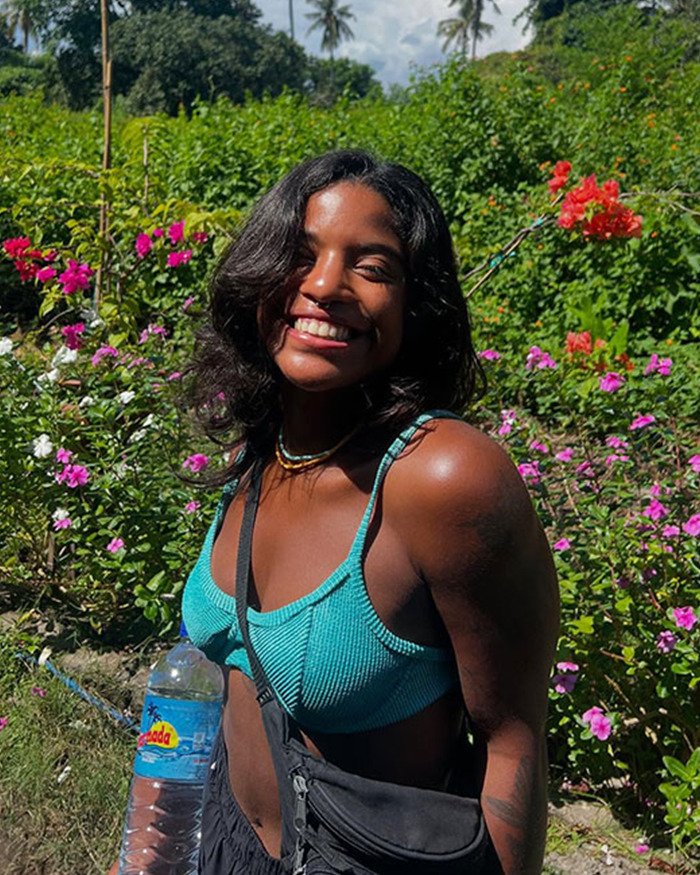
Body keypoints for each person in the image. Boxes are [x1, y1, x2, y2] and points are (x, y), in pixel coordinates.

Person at [180, 150, 560, 875]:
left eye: (373, 266)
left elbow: (513, 740)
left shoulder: (444, 480)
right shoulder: (268, 448)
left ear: (417, 304)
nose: (324, 286)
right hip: (224, 841)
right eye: (299, 253)